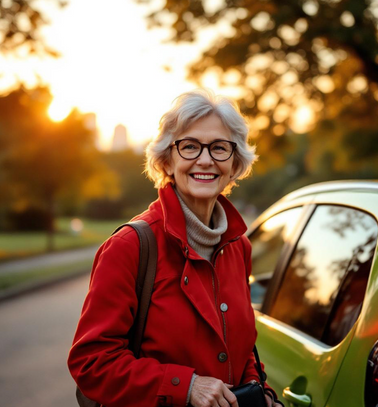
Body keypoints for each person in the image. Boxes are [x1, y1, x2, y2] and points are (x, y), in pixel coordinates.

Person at [68, 89, 282, 407]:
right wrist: (186, 386)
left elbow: (242, 350)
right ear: (167, 159)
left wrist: (259, 392)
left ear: (235, 163)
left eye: (219, 148)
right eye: (190, 146)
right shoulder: (129, 247)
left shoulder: (240, 247)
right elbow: (92, 363)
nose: (206, 159)